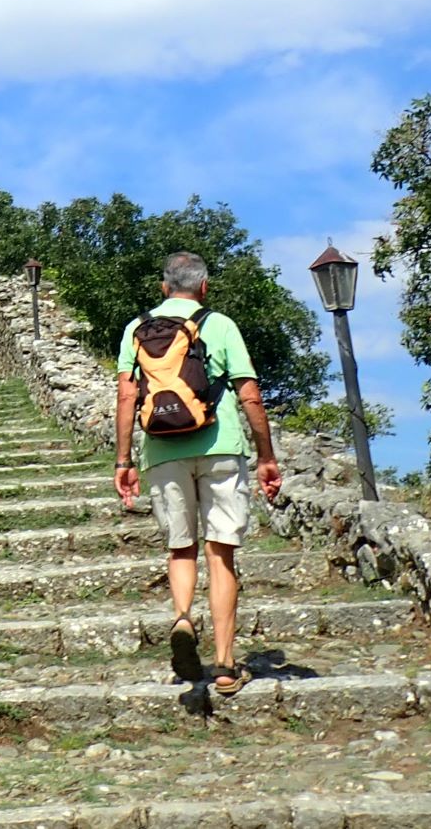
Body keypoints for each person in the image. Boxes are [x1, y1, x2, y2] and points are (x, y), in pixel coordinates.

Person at [113, 251, 283, 696]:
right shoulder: (220, 324)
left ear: (163, 287)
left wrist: (123, 462)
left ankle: (184, 618)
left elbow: (127, 398)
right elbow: (249, 394)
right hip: (221, 446)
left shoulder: (136, 329)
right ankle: (224, 665)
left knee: (181, 547)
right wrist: (266, 455)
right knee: (220, 552)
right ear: (204, 286)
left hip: (162, 450)